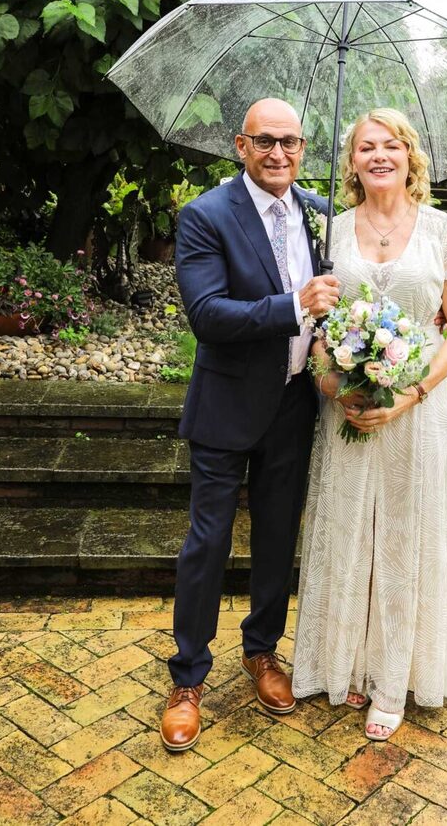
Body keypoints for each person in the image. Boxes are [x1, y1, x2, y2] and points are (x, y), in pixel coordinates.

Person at [292, 107, 447, 741]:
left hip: (418, 410)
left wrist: (413, 392)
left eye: (390, 146)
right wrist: (328, 377)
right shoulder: (331, 232)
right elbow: (320, 323)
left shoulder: (446, 229)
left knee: (404, 535)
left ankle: (394, 681)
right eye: (365, 147)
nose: (378, 156)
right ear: (351, 162)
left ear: (409, 156)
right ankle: (346, 661)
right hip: (346, 404)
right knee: (347, 529)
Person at [160, 97, 339, 751]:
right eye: (265, 141)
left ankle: (262, 651)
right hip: (226, 404)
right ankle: (187, 678)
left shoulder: (320, 217)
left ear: (301, 145)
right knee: (207, 542)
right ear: (241, 144)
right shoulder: (206, 216)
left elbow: (337, 307)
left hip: (295, 403)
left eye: (291, 141)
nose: (279, 153)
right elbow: (208, 314)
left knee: (276, 536)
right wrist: (294, 304)